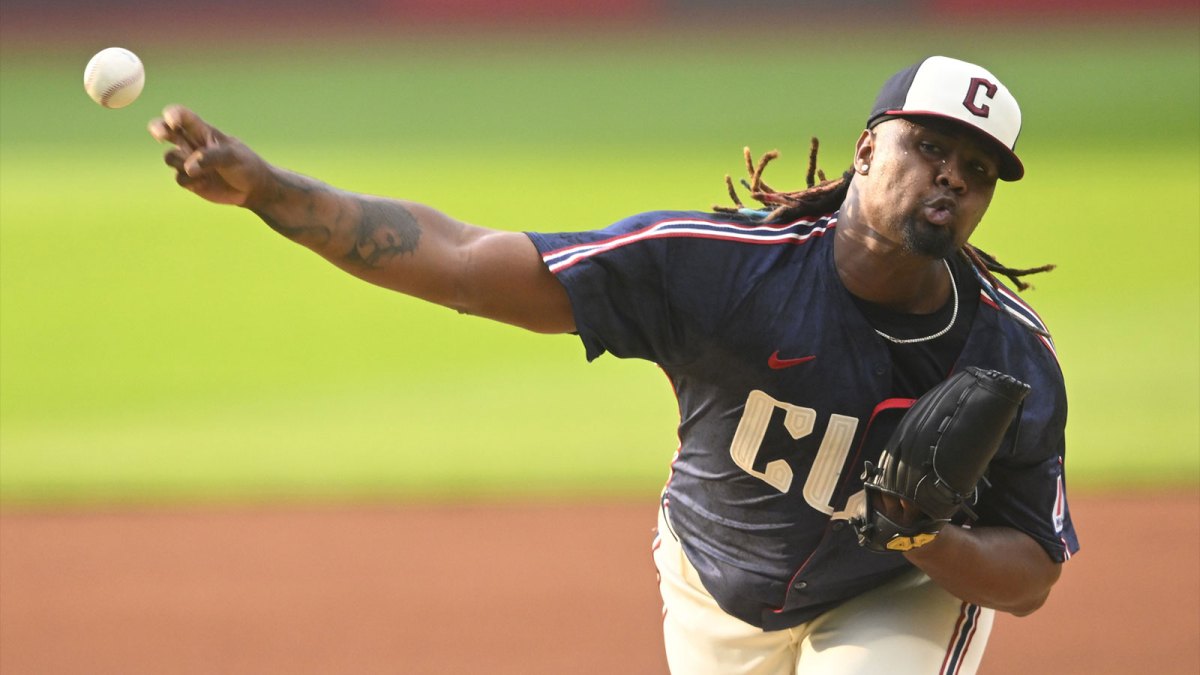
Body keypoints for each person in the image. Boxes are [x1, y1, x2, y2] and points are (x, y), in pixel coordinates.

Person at [149, 55, 1077, 675]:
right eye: (928, 147)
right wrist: (275, 192)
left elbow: (1031, 572)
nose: (952, 178)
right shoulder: (719, 269)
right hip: (714, 581)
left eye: (978, 168)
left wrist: (928, 540)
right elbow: (466, 260)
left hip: (891, 595)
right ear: (869, 146)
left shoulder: (1009, 353)